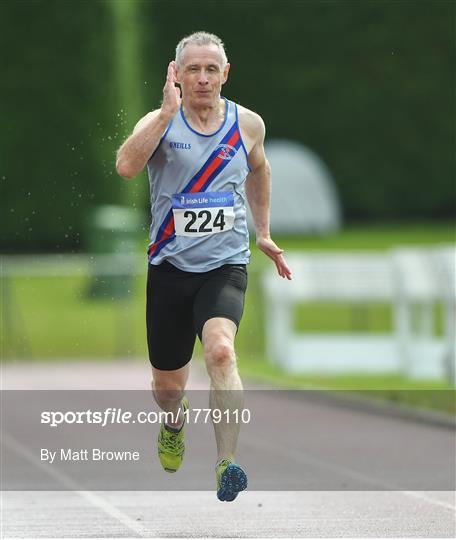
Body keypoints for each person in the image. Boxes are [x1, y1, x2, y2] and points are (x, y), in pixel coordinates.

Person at [116, 31, 291, 502]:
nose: (202, 78)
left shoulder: (247, 123)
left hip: (224, 266)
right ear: (177, 74)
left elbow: (260, 169)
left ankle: (226, 463)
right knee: (167, 388)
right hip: (170, 270)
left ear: (225, 74)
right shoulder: (158, 122)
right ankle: (173, 423)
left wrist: (264, 231)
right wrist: (165, 117)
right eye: (192, 69)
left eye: (211, 69)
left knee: (220, 352)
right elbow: (126, 167)